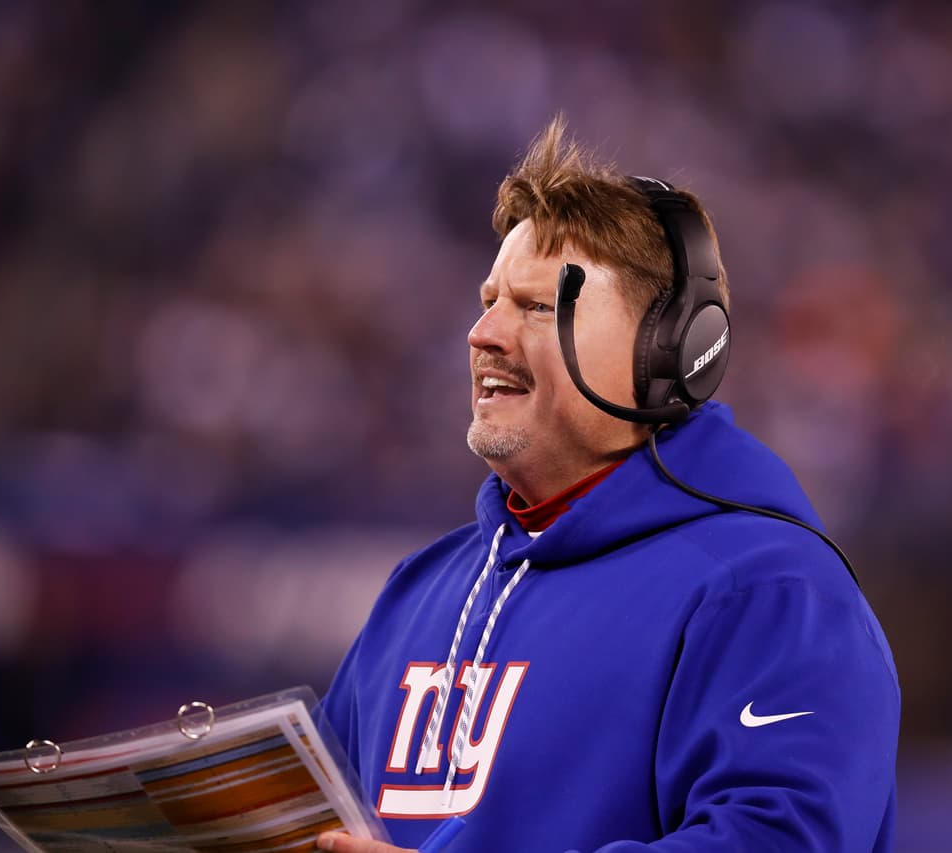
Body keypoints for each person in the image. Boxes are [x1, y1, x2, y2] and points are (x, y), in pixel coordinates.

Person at [316, 117, 899, 852]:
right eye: (489, 300)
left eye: (537, 307)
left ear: (668, 351)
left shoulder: (772, 592)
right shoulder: (418, 591)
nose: (483, 333)